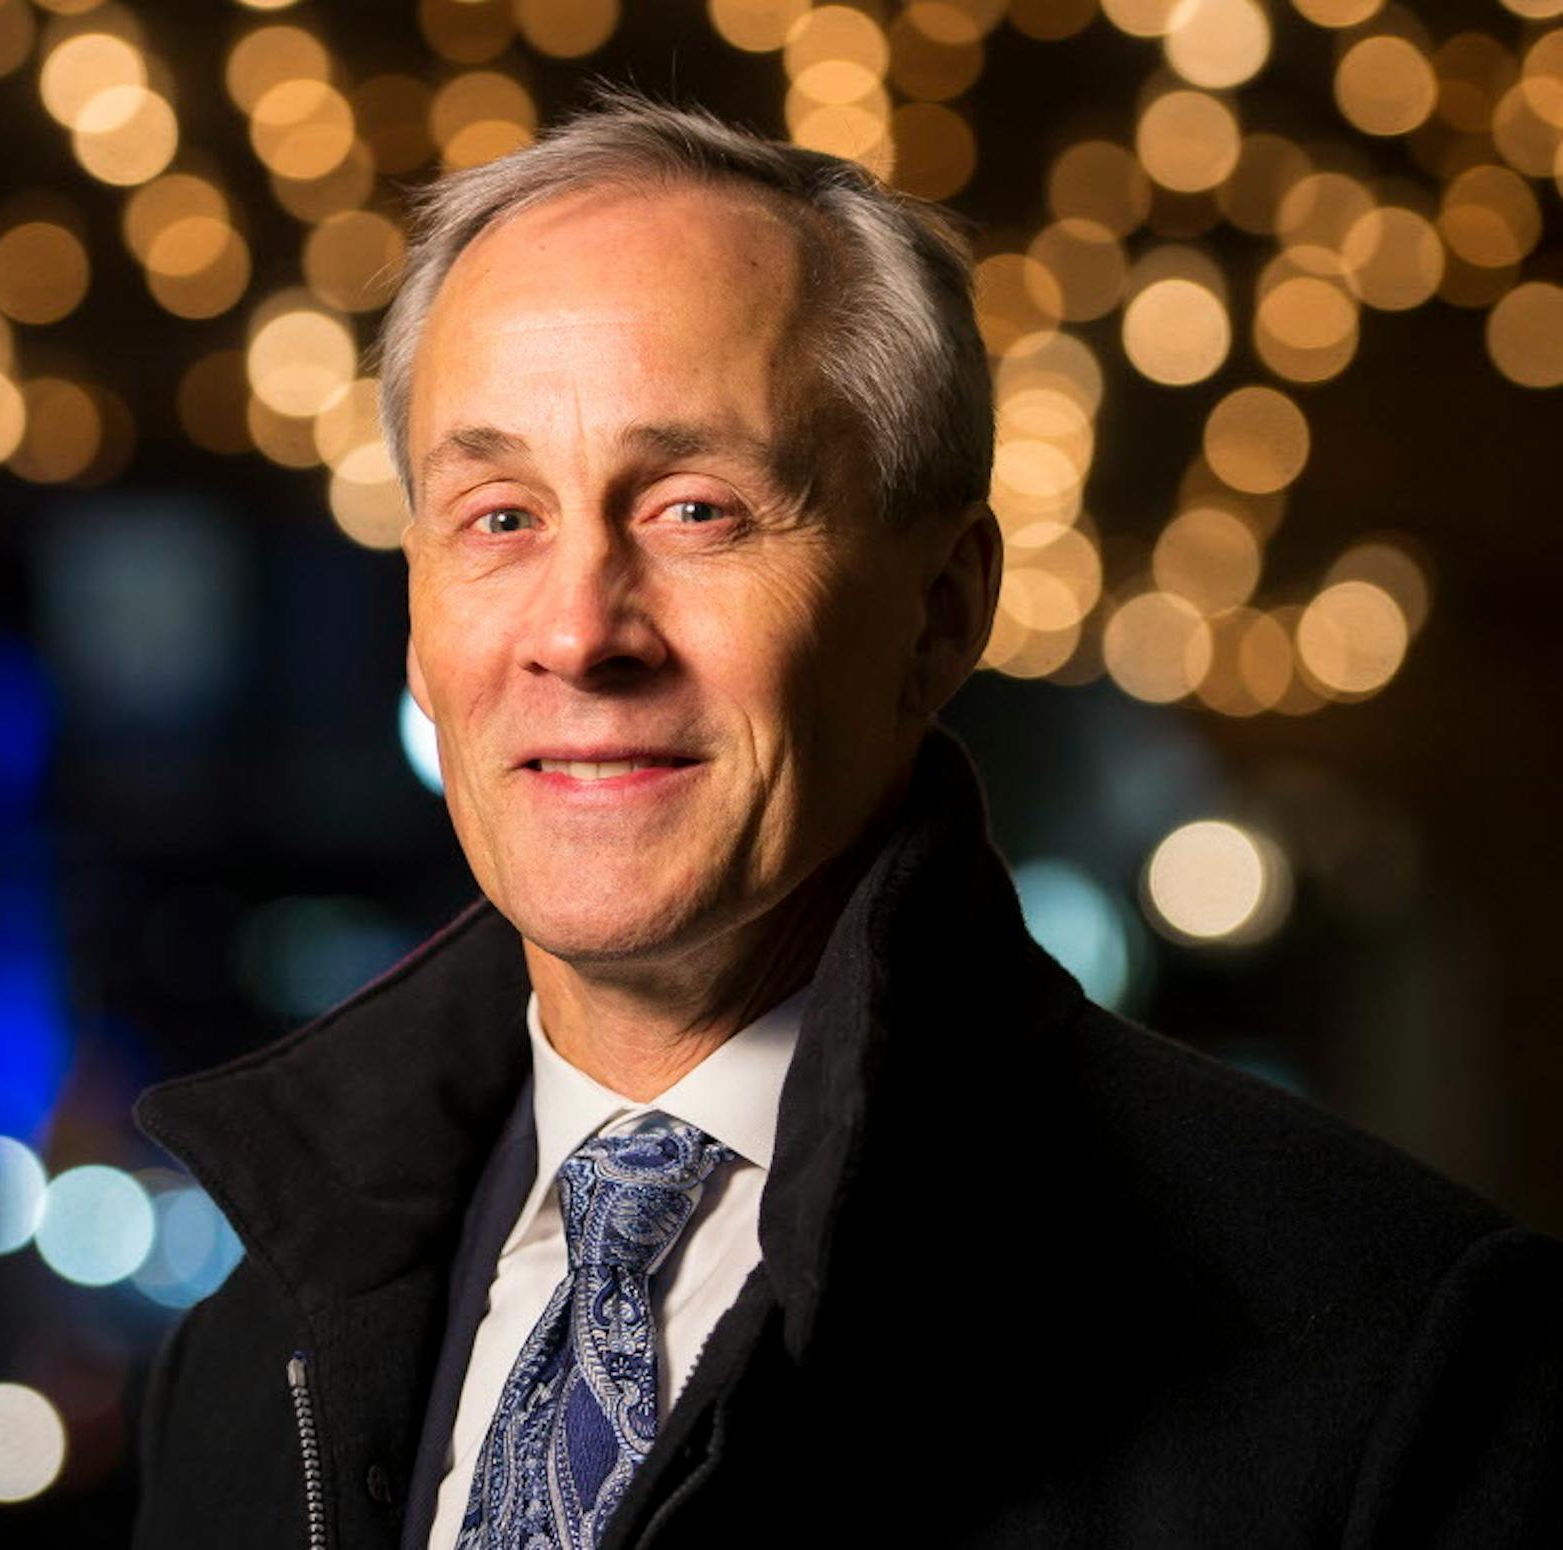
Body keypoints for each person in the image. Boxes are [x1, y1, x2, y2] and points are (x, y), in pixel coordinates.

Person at [130, 92, 1563, 1549]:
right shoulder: (245, 1374)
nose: (576, 631)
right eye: (499, 516)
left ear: (942, 612)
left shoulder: (1388, 1362)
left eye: (697, 509)